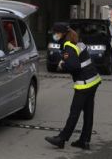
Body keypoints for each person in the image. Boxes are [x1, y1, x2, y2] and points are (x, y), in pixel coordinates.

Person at [45, 22, 101, 150]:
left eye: (55, 33)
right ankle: (84, 140)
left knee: (74, 112)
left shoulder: (68, 45)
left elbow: (74, 66)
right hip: (93, 80)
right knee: (88, 112)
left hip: (85, 83)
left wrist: (62, 65)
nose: (54, 35)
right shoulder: (77, 40)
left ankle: (61, 138)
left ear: (62, 33)